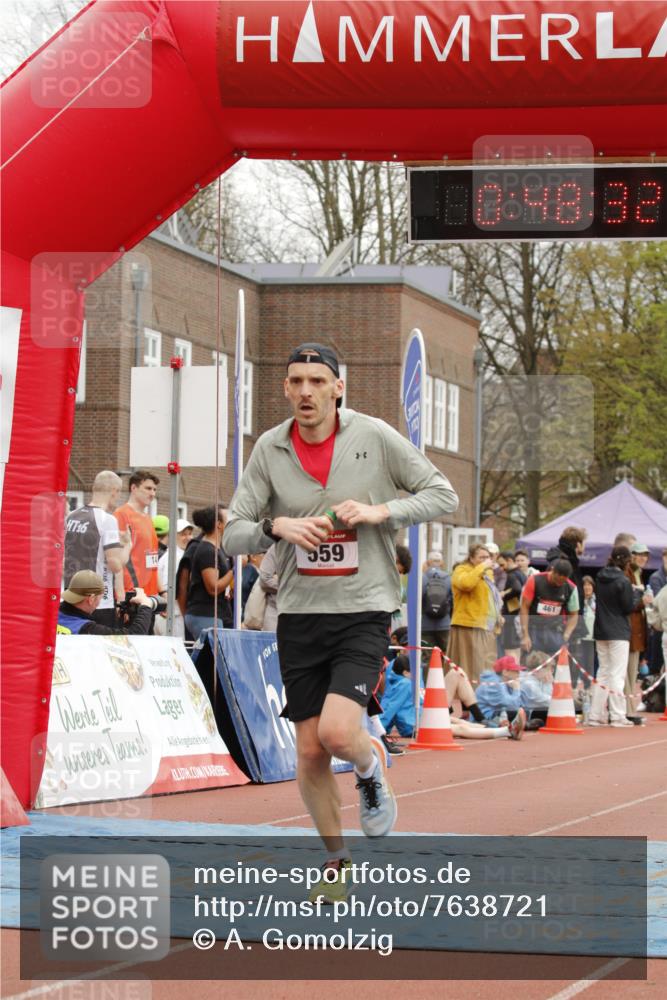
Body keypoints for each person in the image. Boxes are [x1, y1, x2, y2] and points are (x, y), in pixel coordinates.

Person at [223, 341, 458, 895]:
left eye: (317, 381)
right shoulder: (269, 450)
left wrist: (383, 510)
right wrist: (276, 527)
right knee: (308, 751)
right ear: (285, 389)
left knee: (334, 733)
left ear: (337, 387)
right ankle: (337, 864)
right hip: (299, 612)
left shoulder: (373, 435)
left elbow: (440, 492)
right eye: (296, 381)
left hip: (364, 608)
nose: (306, 391)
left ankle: (370, 764)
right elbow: (234, 529)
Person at [588, 545, 650, 728]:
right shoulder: (622, 580)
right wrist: (637, 593)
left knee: (603, 672)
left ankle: (595, 714)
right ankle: (617, 715)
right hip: (618, 631)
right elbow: (627, 607)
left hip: (601, 629)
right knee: (617, 674)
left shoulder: (600, 577)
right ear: (626, 561)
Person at [63, 470, 131, 628]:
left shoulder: (72, 516)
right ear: (114, 491)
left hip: (72, 597)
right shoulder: (107, 520)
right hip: (98, 602)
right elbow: (115, 565)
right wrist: (127, 545)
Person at [448, 544, 500, 684]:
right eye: (481, 557)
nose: (485, 560)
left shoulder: (487, 573)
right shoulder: (461, 570)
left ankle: (481, 695)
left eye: (487, 557)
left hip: (485, 626)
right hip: (467, 625)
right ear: (471, 558)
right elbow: (466, 584)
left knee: (484, 664)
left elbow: (491, 597)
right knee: (468, 665)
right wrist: (482, 567)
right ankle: (465, 696)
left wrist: (498, 617)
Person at [184, 505, 233, 641]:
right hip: (205, 615)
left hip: (212, 614)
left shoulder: (216, 549)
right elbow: (213, 588)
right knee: (212, 660)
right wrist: (234, 572)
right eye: (228, 519)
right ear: (218, 524)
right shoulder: (207, 551)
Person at [57, 570, 153, 636]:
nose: (98, 603)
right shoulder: (87, 629)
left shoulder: (52, 614)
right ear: (91, 599)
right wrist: (146, 605)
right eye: (100, 598)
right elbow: (133, 636)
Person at [519, 558, 579, 657]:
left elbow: (574, 615)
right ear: (552, 570)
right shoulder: (534, 580)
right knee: (533, 663)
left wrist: (566, 635)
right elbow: (524, 607)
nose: (559, 584)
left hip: (555, 631)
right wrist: (525, 635)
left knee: (554, 666)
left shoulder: (571, 588)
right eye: (557, 580)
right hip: (534, 629)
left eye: (562, 582)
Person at [114, 470, 160, 597]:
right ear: (133, 488)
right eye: (148, 488)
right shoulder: (122, 515)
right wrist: (121, 597)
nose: (152, 493)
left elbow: (153, 557)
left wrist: (161, 591)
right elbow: (115, 558)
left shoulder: (148, 518)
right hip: (132, 593)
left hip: (149, 594)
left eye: (154, 490)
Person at [625, 541, 651, 720]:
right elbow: (629, 603)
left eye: (645, 555)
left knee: (632, 672)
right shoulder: (628, 574)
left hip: (638, 630)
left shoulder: (638, 574)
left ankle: (627, 709)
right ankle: (627, 710)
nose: (643, 558)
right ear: (631, 555)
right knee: (626, 672)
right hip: (629, 630)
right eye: (639, 554)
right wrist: (644, 602)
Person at [155, 518, 194, 638]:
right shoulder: (173, 557)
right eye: (183, 534)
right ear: (173, 536)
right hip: (172, 616)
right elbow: (168, 589)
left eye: (189, 534)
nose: (188, 537)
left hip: (173, 615)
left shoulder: (178, 554)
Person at [421, 549, 452, 658]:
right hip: (444, 624)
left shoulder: (422, 578)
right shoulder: (448, 578)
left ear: (428, 562)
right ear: (442, 563)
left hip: (425, 624)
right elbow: (453, 601)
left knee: (427, 657)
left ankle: (427, 675)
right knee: (446, 656)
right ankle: (445, 675)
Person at [497, 551, 523, 659]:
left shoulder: (512, 575)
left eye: (502, 565)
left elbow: (517, 589)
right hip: (516, 614)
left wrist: (503, 594)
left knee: (510, 647)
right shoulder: (520, 573)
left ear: (510, 561)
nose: (501, 568)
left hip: (511, 617)